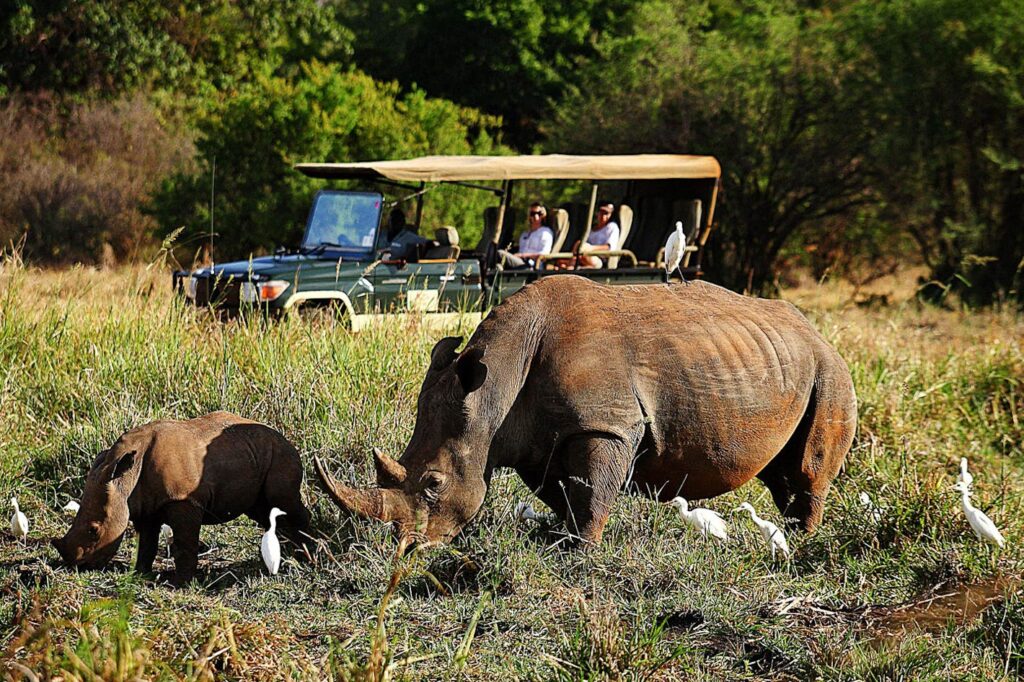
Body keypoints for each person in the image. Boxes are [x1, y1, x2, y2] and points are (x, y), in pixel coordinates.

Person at [497, 202, 554, 269]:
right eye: (533, 214)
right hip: (520, 262)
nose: (536, 216)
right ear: (529, 216)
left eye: (539, 214)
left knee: (500, 253)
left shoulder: (545, 232)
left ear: (543, 215)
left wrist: (522, 255)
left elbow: (544, 254)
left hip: (531, 265)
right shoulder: (525, 233)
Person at [576, 200, 620, 268]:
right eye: (601, 212)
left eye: (606, 213)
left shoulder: (612, 227)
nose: (603, 216)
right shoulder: (591, 229)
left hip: (599, 260)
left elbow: (609, 247)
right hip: (583, 256)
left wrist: (591, 248)